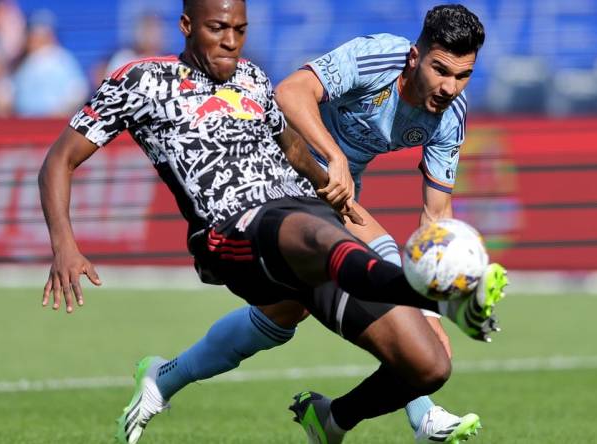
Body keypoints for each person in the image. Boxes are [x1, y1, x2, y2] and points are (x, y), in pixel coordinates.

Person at [39, 1, 507, 444]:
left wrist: (331, 181)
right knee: (336, 243)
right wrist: (64, 243)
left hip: (312, 201)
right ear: (186, 26)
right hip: (242, 224)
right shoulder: (143, 79)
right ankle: (434, 333)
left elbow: (424, 214)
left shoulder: (252, 79)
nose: (230, 41)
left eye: (239, 30)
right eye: (217, 28)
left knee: (426, 361)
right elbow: (59, 160)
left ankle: (319, 415)